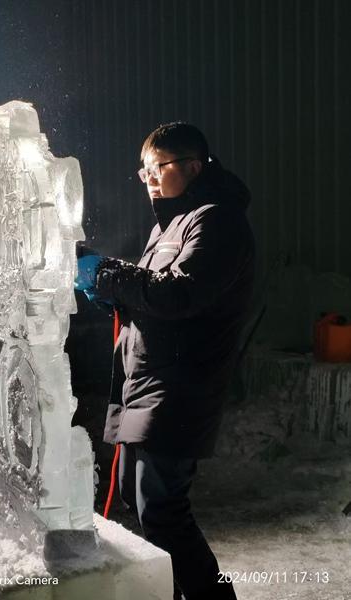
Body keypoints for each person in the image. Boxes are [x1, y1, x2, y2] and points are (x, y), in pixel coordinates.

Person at [75, 122, 255, 599]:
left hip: (180, 386)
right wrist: (104, 287)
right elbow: (151, 295)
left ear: (193, 167)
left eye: (159, 166)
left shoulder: (217, 220)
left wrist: (108, 274)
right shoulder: (169, 225)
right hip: (145, 381)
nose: (149, 177)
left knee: (163, 510)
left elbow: (181, 294)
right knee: (140, 504)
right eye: (145, 170)